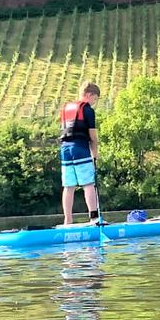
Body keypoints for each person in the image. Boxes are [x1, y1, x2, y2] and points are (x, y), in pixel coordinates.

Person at [59, 82, 101, 225]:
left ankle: (68, 220)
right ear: (89, 95)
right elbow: (93, 137)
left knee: (69, 186)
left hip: (64, 149)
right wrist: (95, 154)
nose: (94, 103)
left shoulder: (66, 108)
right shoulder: (88, 110)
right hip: (80, 148)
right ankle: (94, 218)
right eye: (94, 99)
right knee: (88, 183)